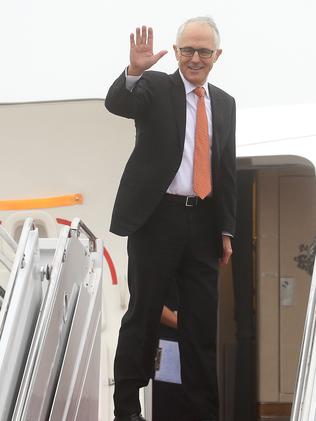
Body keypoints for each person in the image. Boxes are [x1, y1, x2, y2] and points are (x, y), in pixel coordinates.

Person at [105, 15, 236, 421]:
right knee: (143, 315)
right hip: (155, 219)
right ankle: (126, 410)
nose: (194, 58)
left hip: (203, 225)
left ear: (217, 55)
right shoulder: (157, 86)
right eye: (187, 50)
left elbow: (224, 169)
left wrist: (227, 229)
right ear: (176, 52)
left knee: (201, 328)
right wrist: (133, 72)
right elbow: (119, 104)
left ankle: (203, 413)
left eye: (203, 51)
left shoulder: (226, 103)